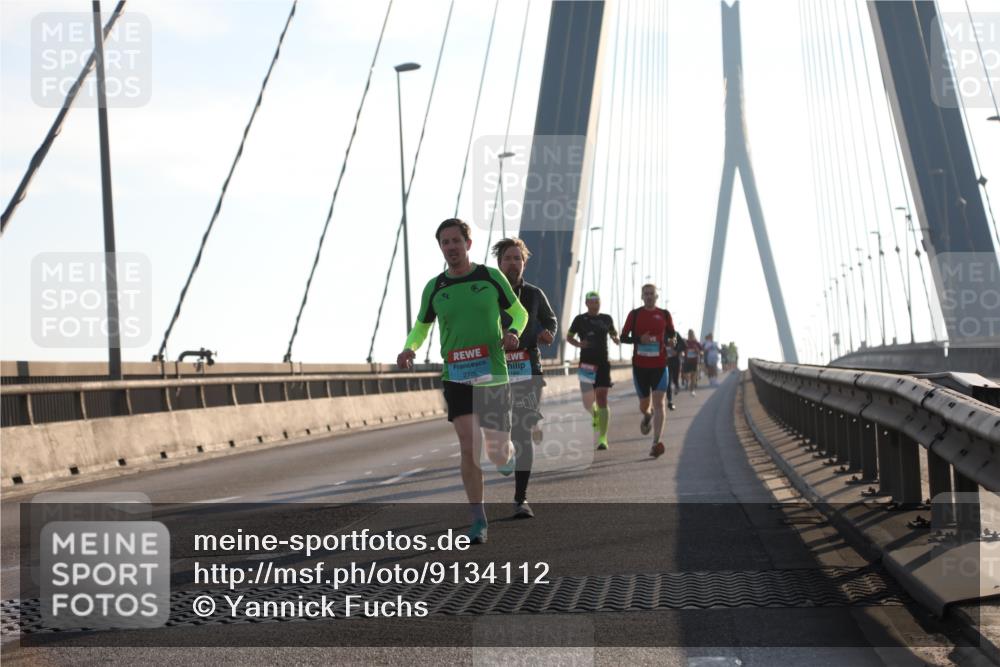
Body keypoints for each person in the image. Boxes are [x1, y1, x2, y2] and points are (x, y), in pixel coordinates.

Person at [397, 218, 528, 544]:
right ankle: (478, 520)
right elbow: (421, 327)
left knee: (496, 452)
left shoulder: (490, 277)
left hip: (493, 375)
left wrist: (513, 332)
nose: (451, 247)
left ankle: (506, 455)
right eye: (445, 242)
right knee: (468, 447)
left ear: (468, 244)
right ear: (440, 247)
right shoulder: (435, 287)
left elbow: (520, 312)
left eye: (456, 240)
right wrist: (409, 348)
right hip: (456, 376)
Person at [494, 237, 557, 520]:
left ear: (524, 263)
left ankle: (521, 499)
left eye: (517, 258)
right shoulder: (488, 294)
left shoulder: (533, 294)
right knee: (498, 432)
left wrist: (548, 333)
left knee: (522, 432)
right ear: (499, 263)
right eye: (507, 258)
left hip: (528, 368)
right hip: (495, 370)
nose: (512, 263)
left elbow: (550, 319)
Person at [620, 284, 675, 458]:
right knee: (645, 405)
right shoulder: (634, 315)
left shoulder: (664, 315)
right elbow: (623, 337)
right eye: (646, 294)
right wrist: (638, 339)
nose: (649, 296)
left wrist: (672, 341)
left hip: (659, 366)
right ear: (642, 296)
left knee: (660, 403)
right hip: (640, 367)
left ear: (657, 296)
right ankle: (647, 415)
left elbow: (672, 335)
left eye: (652, 294)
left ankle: (655, 443)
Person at [566, 292, 619, 451]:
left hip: (603, 363)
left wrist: (616, 338)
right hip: (586, 363)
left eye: (597, 301)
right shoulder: (579, 319)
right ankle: (594, 414)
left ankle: (603, 438)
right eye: (592, 301)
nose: (595, 304)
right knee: (587, 402)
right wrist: (578, 344)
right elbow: (569, 337)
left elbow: (613, 332)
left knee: (602, 396)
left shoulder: (606, 318)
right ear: (586, 303)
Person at [665, 331, 684, 410]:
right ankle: (670, 401)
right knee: (668, 382)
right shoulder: (660, 333)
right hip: (666, 362)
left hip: (675, 361)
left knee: (675, 379)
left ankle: (677, 385)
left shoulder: (675, 333)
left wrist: (677, 351)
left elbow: (684, 345)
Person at [682, 329, 702, 395]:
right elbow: (681, 349)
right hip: (687, 360)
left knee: (693, 376)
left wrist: (697, 351)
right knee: (685, 374)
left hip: (694, 361)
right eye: (689, 334)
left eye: (691, 334)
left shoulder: (696, 343)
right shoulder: (685, 342)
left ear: (693, 334)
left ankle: (692, 390)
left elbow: (702, 352)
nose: (690, 335)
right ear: (688, 335)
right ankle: (687, 382)